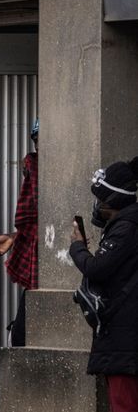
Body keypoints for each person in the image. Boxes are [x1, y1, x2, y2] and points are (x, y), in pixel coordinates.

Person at [69, 159, 138, 412]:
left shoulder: (126, 227)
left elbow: (97, 269)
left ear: (115, 200)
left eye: (102, 200)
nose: (98, 207)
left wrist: (78, 247)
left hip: (125, 338)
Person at [0, 118, 39, 346]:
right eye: (37, 142)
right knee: (22, 335)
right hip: (39, 267)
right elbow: (37, 223)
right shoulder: (35, 167)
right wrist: (14, 237)